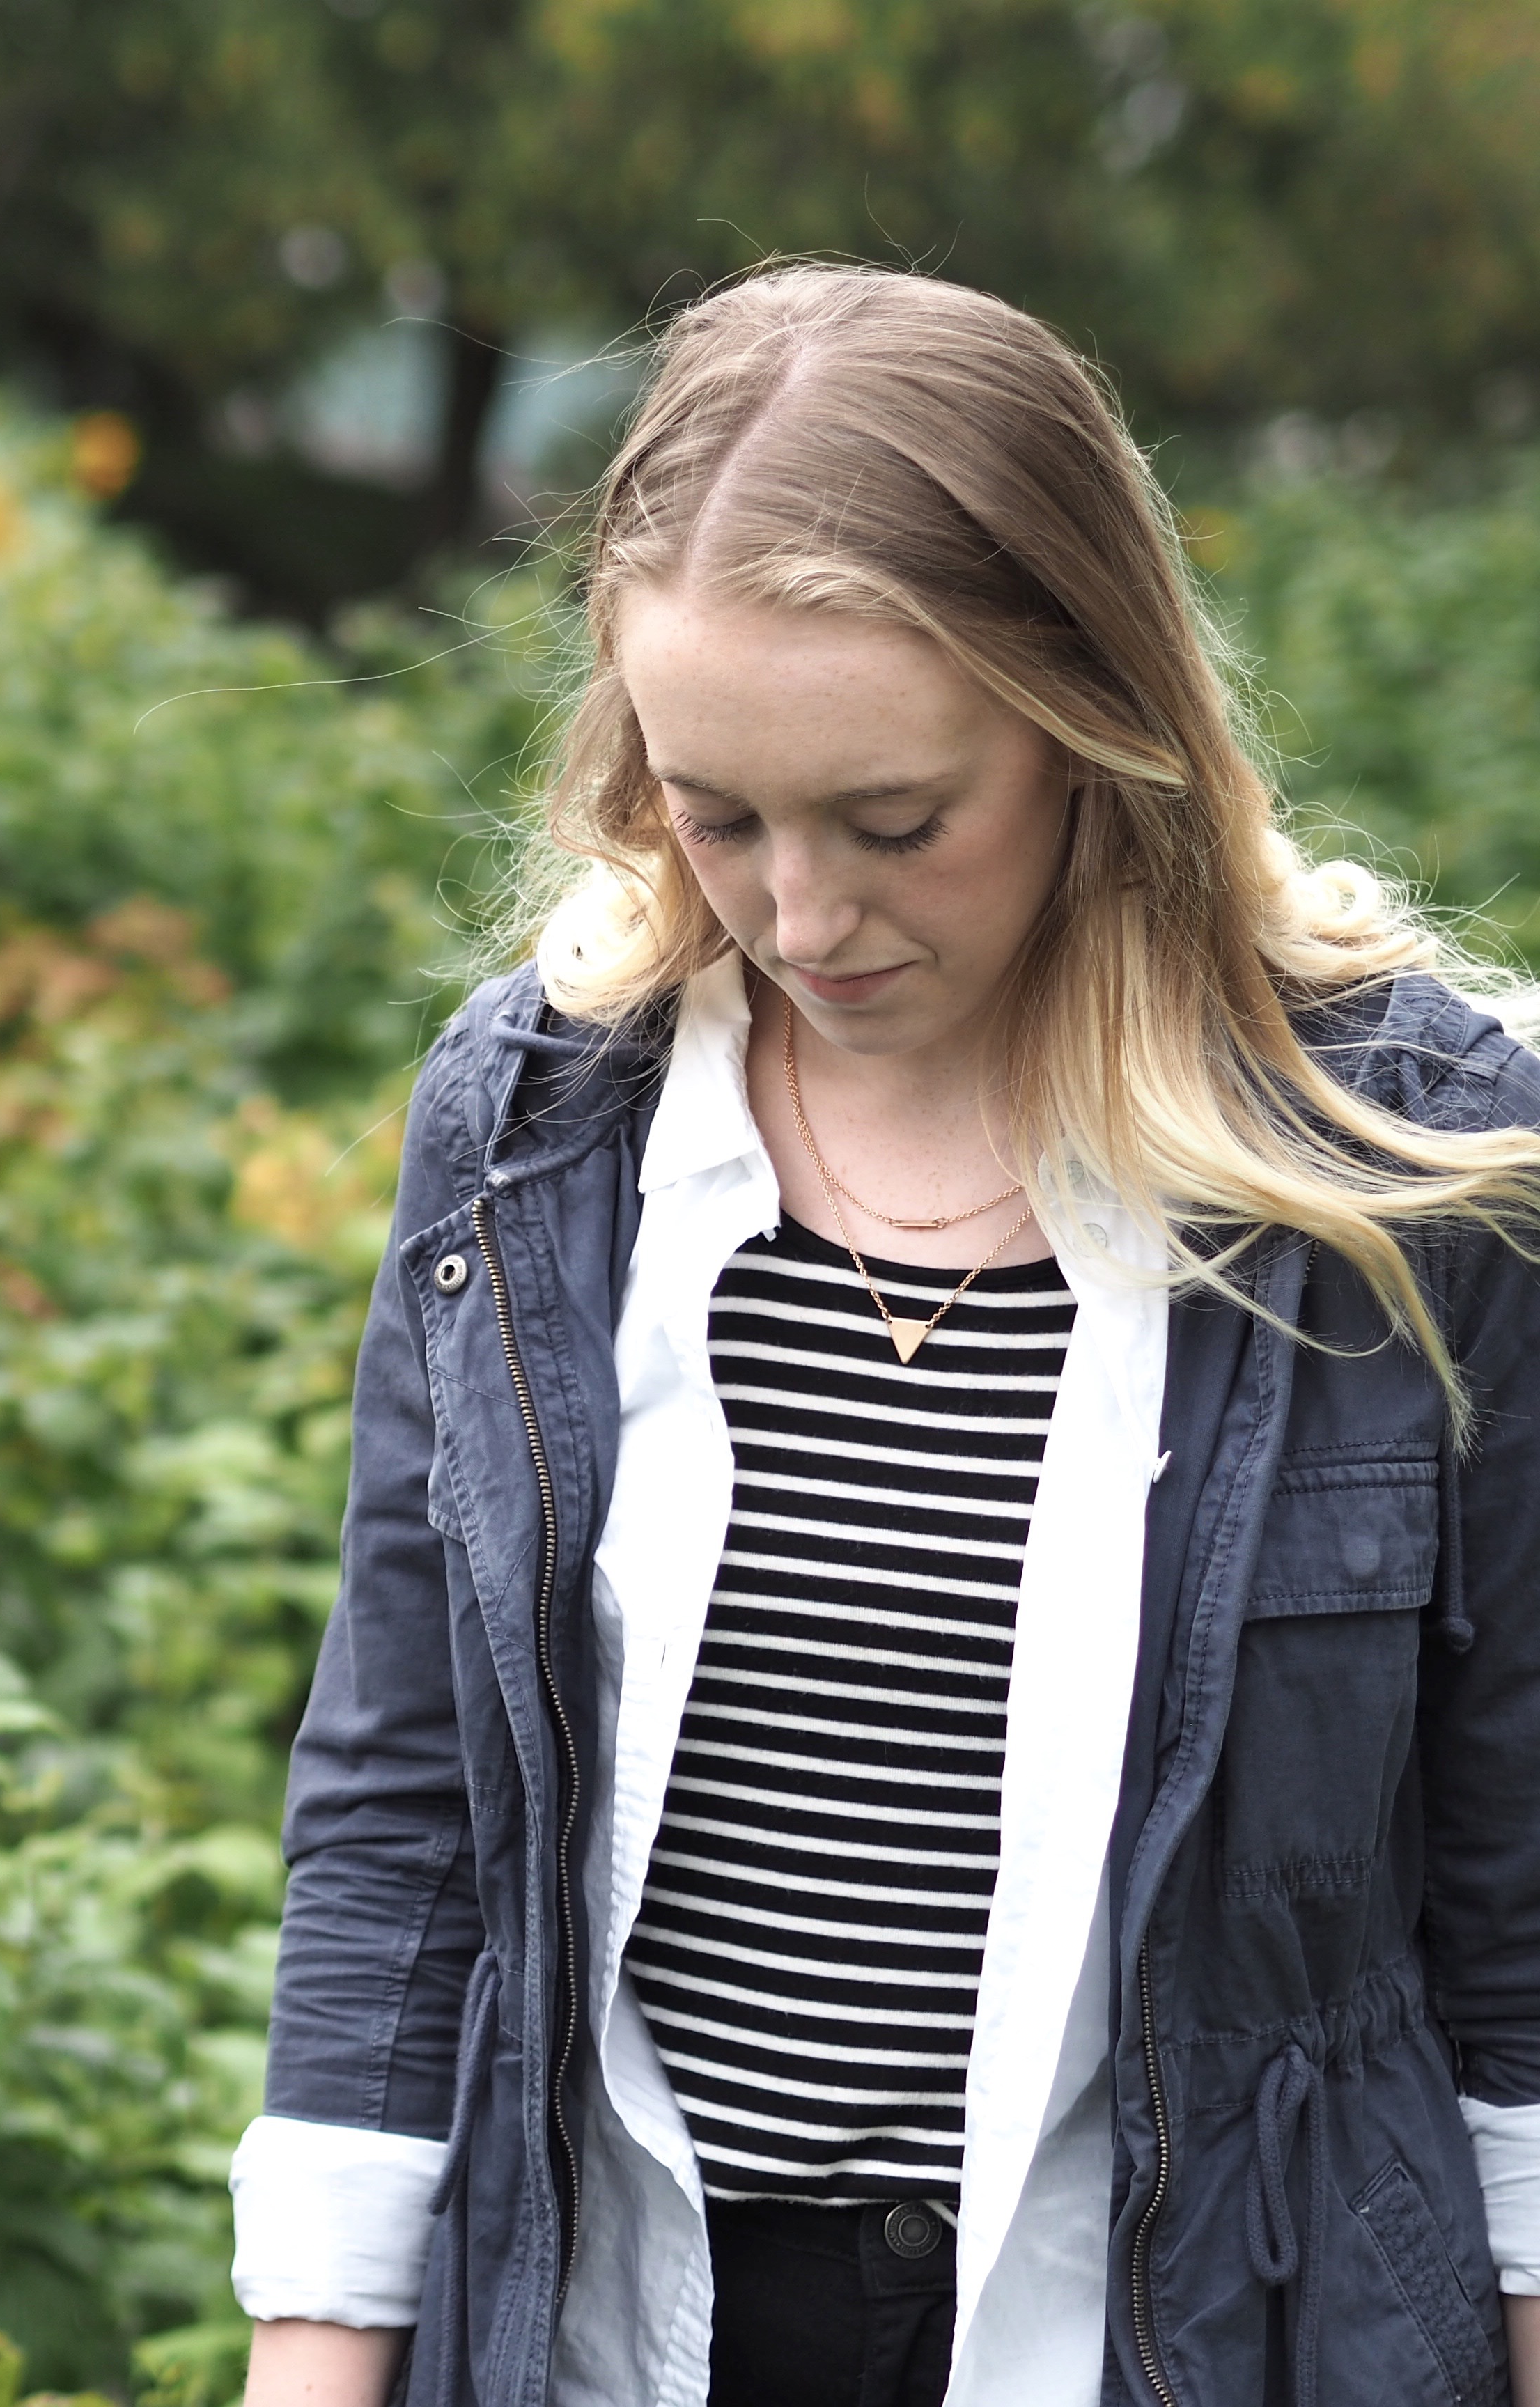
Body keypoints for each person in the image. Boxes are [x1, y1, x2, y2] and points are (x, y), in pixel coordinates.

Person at [228, 263, 1540, 2407]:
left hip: (1190, 2332)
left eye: (894, 821)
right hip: (636, 2330)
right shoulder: (535, 1131)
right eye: (715, 814)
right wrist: (313, 2364)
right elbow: (404, 1823)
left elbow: (1522, 1910)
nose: (804, 917)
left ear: (1096, 722)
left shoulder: (1401, 1168)